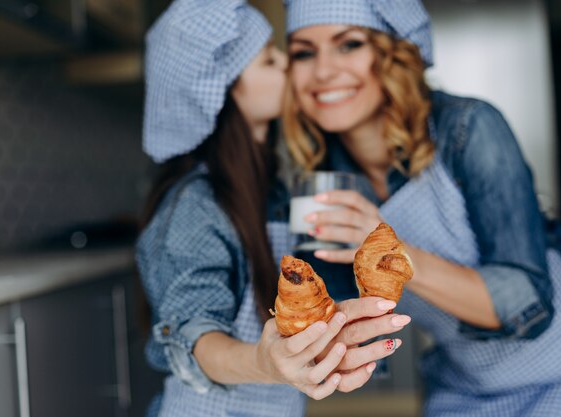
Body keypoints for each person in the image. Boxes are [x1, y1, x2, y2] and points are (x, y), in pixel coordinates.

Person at [281, 0, 561, 416]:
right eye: (304, 52)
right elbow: (349, 330)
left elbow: (525, 305)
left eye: (349, 44)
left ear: (391, 54)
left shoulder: (468, 128)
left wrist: (391, 253)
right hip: (465, 385)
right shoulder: (320, 177)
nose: (323, 70)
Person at [136, 1, 412, 416]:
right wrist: (266, 362)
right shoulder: (196, 203)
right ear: (223, 88)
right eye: (268, 59)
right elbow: (195, 334)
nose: (287, 64)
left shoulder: (273, 188)